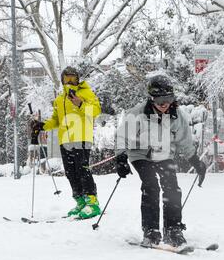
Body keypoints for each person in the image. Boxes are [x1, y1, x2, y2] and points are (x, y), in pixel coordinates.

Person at [115, 74, 206, 247]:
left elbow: (184, 141)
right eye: (159, 100)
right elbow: (122, 137)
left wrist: (195, 161)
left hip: (164, 155)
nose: (164, 104)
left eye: (168, 99)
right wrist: (121, 158)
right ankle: (151, 231)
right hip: (140, 155)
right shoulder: (137, 113)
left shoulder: (177, 116)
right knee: (151, 186)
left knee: (172, 188)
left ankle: (173, 230)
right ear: (151, 99)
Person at [31, 66, 102, 219]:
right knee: (70, 172)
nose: (70, 81)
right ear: (62, 80)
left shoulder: (86, 93)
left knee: (82, 169)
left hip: (81, 137)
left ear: (78, 79)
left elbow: (96, 111)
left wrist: (80, 104)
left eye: (73, 78)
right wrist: (42, 125)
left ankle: (92, 202)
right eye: (66, 78)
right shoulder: (59, 99)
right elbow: (56, 120)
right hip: (65, 140)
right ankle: (80, 200)